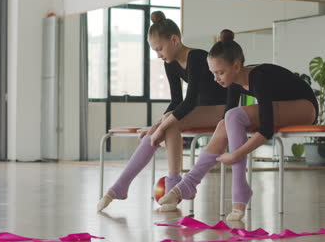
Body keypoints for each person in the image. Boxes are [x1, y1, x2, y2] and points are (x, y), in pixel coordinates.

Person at [158, 29, 318, 221]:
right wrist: (224, 136)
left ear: (236, 66)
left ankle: (239, 190)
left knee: (233, 116)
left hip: (305, 107)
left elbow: (266, 129)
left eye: (220, 73)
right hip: (285, 107)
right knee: (226, 123)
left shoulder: (259, 77)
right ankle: (188, 184)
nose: (216, 79)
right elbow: (226, 120)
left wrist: (235, 154)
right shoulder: (233, 83)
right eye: (213, 73)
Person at [97, 12, 229, 211]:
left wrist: (160, 126)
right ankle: (131, 185)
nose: (158, 54)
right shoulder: (171, 64)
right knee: (168, 123)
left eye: (159, 49)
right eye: (155, 50)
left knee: (169, 123)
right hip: (199, 111)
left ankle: (128, 186)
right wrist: (157, 125)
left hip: (220, 110)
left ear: (174, 40)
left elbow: (190, 100)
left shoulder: (197, 57)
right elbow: (176, 101)